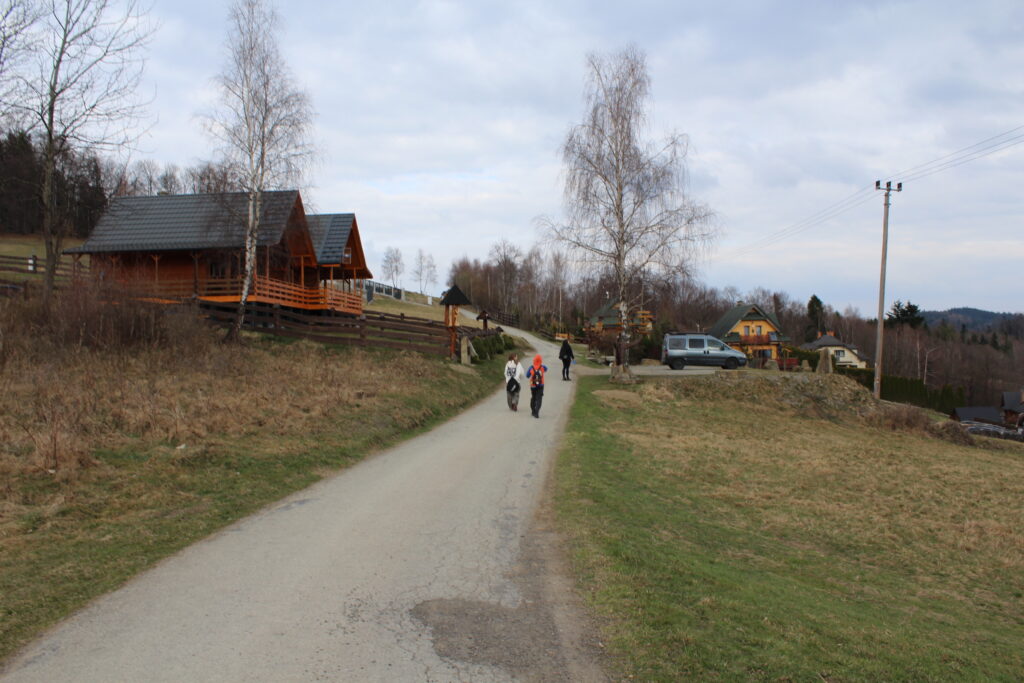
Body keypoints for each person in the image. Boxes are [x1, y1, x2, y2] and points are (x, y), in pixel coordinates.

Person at [526, 354, 548, 419]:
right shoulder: (543, 367)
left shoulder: (531, 367)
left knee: (533, 397)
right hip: (541, 385)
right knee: (539, 399)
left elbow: (527, 376)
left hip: (533, 385)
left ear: (534, 360)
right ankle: (537, 412)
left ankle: (533, 411)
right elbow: (546, 369)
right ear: (541, 360)